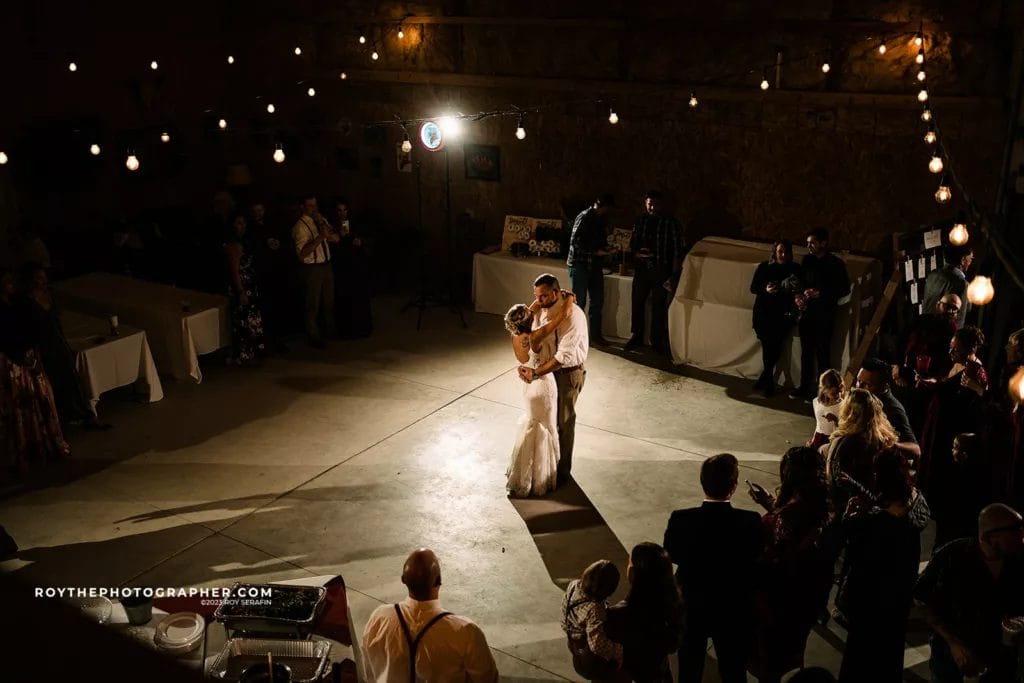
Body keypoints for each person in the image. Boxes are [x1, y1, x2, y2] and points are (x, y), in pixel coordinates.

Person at [664, 453, 764, 683]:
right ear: (734, 486)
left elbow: (672, 553)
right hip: (732, 606)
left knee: (689, 669)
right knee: (734, 671)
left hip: (692, 603)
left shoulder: (681, 519)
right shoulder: (750, 521)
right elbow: (757, 558)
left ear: (702, 483)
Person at [836, 451, 928, 682]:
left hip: (869, 603)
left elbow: (853, 553)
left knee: (858, 660)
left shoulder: (873, 525)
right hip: (897, 602)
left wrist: (850, 518)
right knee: (889, 659)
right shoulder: (916, 504)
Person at [747, 447, 834, 683]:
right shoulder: (822, 507)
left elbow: (778, 555)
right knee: (795, 648)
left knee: (772, 657)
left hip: (781, 597)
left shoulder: (786, 517)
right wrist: (769, 504)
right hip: (809, 593)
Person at [915, 504, 1024, 682]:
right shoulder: (953, 556)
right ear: (988, 537)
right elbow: (921, 598)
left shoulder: (1017, 560)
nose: (1022, 536)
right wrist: (952, 642)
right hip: (955, 662)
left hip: (1001, 662)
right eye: (1015, 530)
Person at [362, 548, 498, 683]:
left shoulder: (379, 618)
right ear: (438, 580)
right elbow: (488, 678)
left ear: (403, 579)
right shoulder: (466, 632)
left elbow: (369, 669)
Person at [918, 326, 990, 547]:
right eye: (951, 348)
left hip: (950, 431)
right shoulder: (955, 364)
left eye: (956, 349)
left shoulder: (976, 372)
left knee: (942, 474)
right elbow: (945, 385)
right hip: (936, 426)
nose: (951, 353)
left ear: (970, 349)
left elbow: (977, 406)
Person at [517, 274, 588, 487]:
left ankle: (563, 470)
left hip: (568, 373)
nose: (539, 301)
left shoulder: (573, 315)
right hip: (546, 373)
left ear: (556, 293)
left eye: (544, 296)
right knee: (545, 420)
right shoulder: (539, 310)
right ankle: (545, 466)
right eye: (536, 296)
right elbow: (536, 342)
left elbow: (562, 357)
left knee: (564, 422)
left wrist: (536, 372)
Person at [503, 291, 577, 497]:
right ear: (527, 319)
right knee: (545, 428)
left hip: (528, 389)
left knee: (531, 425)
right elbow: (561, 317)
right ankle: (541, 479)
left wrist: (536, 303)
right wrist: (568, 298)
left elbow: (531, 309)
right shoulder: (535, 336)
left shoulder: (516, 336)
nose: (532, 308)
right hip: (542, 384)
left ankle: (523, 473)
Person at [0, 267, 70, 476]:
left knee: (41, 401)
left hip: (29, 357)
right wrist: (22, 357)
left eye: (12, 278)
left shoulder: (20, 302)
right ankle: (21, 453)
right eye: (6, 280)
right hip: (12, 362)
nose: (10, 283)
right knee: (19, 407)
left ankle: (44, 445)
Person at [21, 264, 107, 428]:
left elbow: (57, 320)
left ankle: (86, 415)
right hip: (42, 346)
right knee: (54, 382)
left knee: (73, 379)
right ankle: (63, 418)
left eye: (44, 276)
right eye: (39, 278)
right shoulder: (27, 301)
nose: (43, 281)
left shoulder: (50, 294)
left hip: (57, 342)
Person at [606, 542, 683, 683]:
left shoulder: (618, 615)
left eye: (629, 563)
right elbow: (673, 644)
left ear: (633, 573)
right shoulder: (671, 606)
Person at [791, 228, 849, 400]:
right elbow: (800, 282)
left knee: (823, 354)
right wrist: (798, 297)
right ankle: (804, 387)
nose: (808, 246)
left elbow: (843, 288)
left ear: (823, 243)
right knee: (806, 353)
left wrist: (820, 293)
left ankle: (822, 392)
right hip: (807, 314)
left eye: (812, 243)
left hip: (825, 315)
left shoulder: (836, 264)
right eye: (808, 242)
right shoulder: (807, 260)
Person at [625, 190, 685, 354]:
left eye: (655, 204)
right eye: (649, 204)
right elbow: (633, 243)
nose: (652, 207)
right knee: (637, 302)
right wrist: (637, 253)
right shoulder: (641, 220)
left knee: (658, 305)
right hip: (642, 268)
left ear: (662, 205)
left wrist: (673, 274)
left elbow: (678, 251)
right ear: (645, 204)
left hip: (661, 268)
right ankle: (636, 336)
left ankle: (656, 341)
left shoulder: (671, 223)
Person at [823, 388, 898, 514]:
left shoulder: (845, 443)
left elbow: (836, 480)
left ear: (849, 412)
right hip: (880, 505)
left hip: (851, 507)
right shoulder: (882, 439)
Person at [750, 240, 802, 396]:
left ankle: (766, 380)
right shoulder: (764, 267)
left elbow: (799, 287)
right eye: (780, 252)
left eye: (786, 252)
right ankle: (767, 379)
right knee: (768, 347)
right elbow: (753, 288)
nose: (783, 255)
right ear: (775, 252)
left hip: (782, 314)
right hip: (764, 313)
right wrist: (766, 289)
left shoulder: (794, 269)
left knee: (776, 347)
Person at [566, 194, 616, 346]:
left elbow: (598, 240)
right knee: (579, 303)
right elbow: (575, 243)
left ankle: (595, 335)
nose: (608, 211)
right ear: (601, 205)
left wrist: (606, 248)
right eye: (607, 208)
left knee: (597, 301)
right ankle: (576, 337)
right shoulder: (584, 217)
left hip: (595, 266)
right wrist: (596, 252)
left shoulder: (601, 219)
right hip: (580, 265)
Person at [561, 559, 624, 679]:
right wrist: (618, 651)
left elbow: (564, 616)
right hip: (587, 660)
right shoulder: (595, 609)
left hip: (573, 643)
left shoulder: (574, 585)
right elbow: (596, 645)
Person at [292, 196, 339, 349]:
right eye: (310, 205)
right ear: (303, 207)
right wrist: (320, 237)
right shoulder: (300, 227)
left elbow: (334, 237)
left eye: (315, 205)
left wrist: (331, 235)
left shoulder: (320, 220)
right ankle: (313, 335)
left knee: (328, 300)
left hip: (327, 264)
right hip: (313, 268)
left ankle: (330, 330)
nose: (314, 208)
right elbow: (302, 253)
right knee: (313, 302)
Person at [248, 201, 294, 353]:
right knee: (265, 309)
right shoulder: (251, 230)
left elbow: (283, 245)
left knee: (277, 307)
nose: (258, 213)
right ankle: (265, 341)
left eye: (260, 210)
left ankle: (278, 340)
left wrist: (277, 245)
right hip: (261, 275)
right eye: (255, 210)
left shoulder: (273, 226)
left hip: (276, 273)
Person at [855, 358, 921, 461]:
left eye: (867, 384)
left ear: (884, 386)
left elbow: (915, 450)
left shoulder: (893, 410)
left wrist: (890, 446)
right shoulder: (860, 399)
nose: (859, 388)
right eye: (858, 381)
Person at [223, 214, 266, 366]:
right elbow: (235, 271)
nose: (242, 226)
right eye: (239, 223)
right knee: (243, 321)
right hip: (242, 287)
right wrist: (240, 291)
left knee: (253, 320)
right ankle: (244, 354)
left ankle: (254, 351)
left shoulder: (246, 242)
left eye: (244, 223)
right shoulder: (233, 245)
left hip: (251, 285)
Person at [332, 198, 373, 339]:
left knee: (359, 296)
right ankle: (346, 330)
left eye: (345, 210)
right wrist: (339, 238)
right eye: (339, 210)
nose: (342, 213)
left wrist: (359, 241)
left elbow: (367, 240)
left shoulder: (356, 224)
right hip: (342, 267)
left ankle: (362, 328)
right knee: (344, 298)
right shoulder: (332, 226)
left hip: (356, 265)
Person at [903, 293, 962, 380]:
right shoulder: (922, 320)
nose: (950, 311)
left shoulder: (954, 333)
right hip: (909, 371)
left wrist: (937, 379)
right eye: (947, 306)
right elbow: (905, 340)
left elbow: (950, 360)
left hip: (932, 378)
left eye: (955, 309)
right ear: (938, 305)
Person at [922, 243, 974, 328]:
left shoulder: (933, 274)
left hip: (925, 329)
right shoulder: (962, 284)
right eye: (970, 258)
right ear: (963, 260)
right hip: (943, 335)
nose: (970, 262)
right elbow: (959, 319)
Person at [807, 369, 845, 451]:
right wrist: (814, 439)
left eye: (839, 392)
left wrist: (835, 420)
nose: (838, 396)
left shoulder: (843, 405)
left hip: (833, 439)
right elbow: (819, 424)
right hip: (819, 438)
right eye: (833, 393)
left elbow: (844, 428)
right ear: (824, 390)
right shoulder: (816, 402)